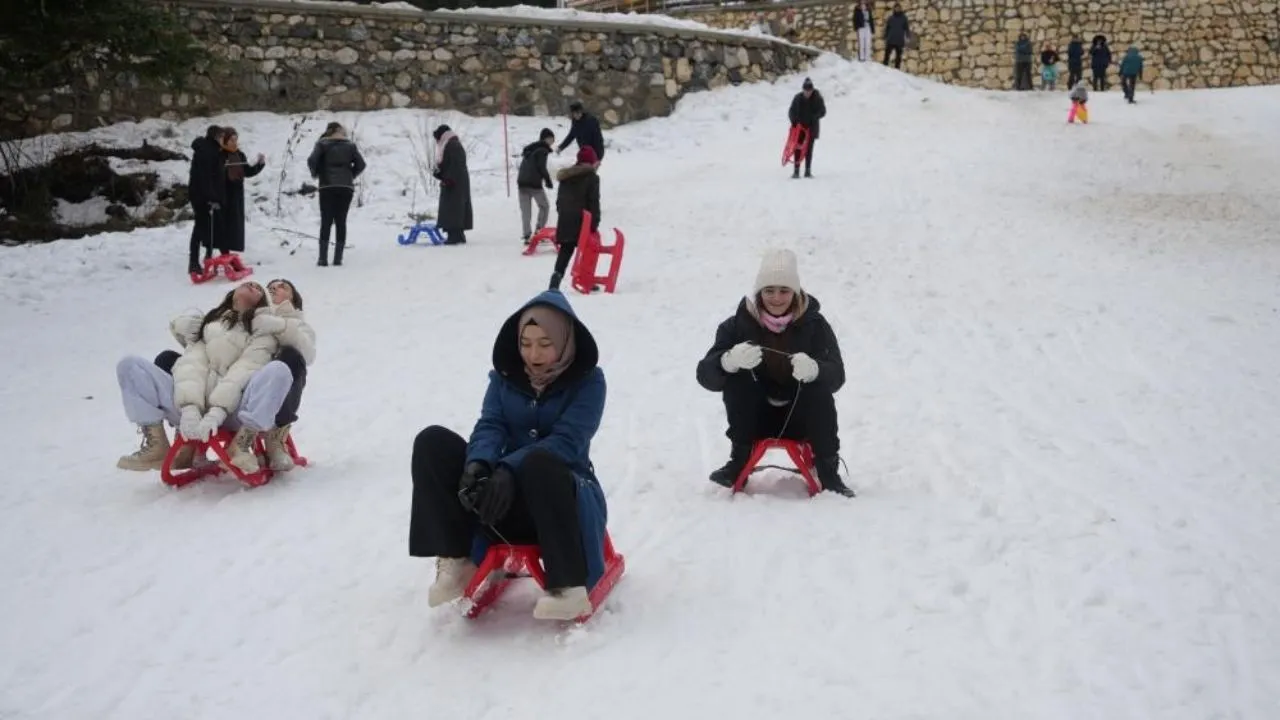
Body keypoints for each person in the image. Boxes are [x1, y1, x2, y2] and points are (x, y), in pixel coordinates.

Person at [408, 289, 610, 620]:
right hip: (502, 501)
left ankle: (568, 587)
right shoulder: (504, 379)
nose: (534, 354)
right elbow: (491, 425)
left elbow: (568, 441)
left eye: (545, 344)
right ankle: (456, 559)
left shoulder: (589, 382)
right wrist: (479, 466)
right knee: (433, 442)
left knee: (541, 460)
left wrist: (508, 469)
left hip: (561, 499)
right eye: (526, 343)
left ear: (564, 341)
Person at [695, 249, 854, 497]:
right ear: (759, 292)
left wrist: (816, 369)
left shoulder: (816, 326)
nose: (777, 298)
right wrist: (727, 361)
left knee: (817, 386)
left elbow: (837, 376)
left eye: (784, 290)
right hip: (754, 419)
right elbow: (705, 375)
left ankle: (827, 469)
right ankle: (739, 460)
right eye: (769, 290)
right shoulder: (737, 325)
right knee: (738, 378)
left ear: (796, 292)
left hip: (801, 418)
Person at [115, 282, 289, 475]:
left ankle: (241, 443)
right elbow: (191, 366)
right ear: (232, 294)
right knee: (130, 365)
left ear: (261, 303)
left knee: (279, 370)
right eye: (247, 284)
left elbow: (244, 370)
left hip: (235, 413)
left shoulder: (262, 333)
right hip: (190, 411)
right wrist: (190, 408)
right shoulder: (207, 325)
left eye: (258, 289)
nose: (252, 286)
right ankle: (156, 443)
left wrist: (217, 412)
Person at [152, 278, 315, 471]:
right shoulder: (242, 314)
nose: (274, 289)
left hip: (257, 391)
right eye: (270, 287)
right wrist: (197, 328)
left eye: (283, 287)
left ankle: (275, 434)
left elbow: (307, 352)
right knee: (169, 360)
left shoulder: (292, 321)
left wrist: (278, 326)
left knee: (290, 359)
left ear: (294, 299)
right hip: (225, 383)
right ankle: (185, 435)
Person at [306, 121, 367, 266]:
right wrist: (350, 175)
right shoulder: (350, 146)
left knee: (326, 221)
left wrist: (316, 173)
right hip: (346, 187)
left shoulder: (322, 144)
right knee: (341, 221)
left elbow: (311, 160)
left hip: (327, 186)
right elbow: (361, 164)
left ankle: (322, 258)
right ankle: (338, 258)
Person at [549, 146, 601, 291]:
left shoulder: (566, 177)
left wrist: (563, 214)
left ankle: (556, 278)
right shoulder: (592, 178)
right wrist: (594, 223)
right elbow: (593, 202)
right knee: (589, 249)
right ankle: (585, 280)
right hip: (583, 221)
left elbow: (559, 201)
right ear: (591, 162)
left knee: (566, 249)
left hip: (566, 219)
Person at [217, 126, 266, 257]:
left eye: (235, 139)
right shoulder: (220, 155)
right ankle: (222, 252)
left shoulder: (239, 154)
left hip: (237, 194)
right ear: (225, 140)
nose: (234, 142)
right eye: (231, 140)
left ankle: (229, 252)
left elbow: (247, 172)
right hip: (223, 193)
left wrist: (260, 164)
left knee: (235, 225)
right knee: (223, 224)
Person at [187, 125, 227, 276]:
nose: (224, 140)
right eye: (222, 137)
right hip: (202, 196)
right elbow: (205, 179)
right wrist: (212, 198)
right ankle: (193, 262)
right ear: (217, 136)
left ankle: (207, 257)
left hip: (202, 194)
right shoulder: (207, 152)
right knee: (200, 227)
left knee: (209, 226)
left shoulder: (210, 149)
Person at [432, 124, 473, 246]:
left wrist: (448, 179)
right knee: (455, 209)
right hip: (456, 182)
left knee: (453, 208)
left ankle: (454, 236)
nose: (437, 141)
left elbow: (456, 165)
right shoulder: (451, 144)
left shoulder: (452, 145)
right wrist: (440, 174)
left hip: (454, 183)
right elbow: (450, 165)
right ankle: (457, 235)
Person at [517, 128, 556, 244]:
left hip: (522, 183)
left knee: (526, 211)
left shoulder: (530, 149)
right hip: (534, 184)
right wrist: (548, 180)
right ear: (547, 138)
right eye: (552, 139)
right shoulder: (542, 150)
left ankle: (526, 235)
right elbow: (541, 167)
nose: (553, 142)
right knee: (544, 206)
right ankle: (539, 230)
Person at [787, 77, 827, 179]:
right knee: (798, 148)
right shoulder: (797, 98)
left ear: (812, 90)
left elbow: (823, 111)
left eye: (809, 91)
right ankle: (796, 171)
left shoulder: (817, 98)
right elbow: (791, 112)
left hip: (811, 128)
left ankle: (808, 171)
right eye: (805, 91)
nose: (807, 93)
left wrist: (815, 117)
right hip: (799, 128)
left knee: (809, 149)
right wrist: (794, 121)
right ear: (803, 90)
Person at [882, 5, 909, 69]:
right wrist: (885, 36)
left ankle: (897, 69)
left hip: (899, 40)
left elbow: (907, 28)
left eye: (899, 8)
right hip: (891, 39)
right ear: (894, 9)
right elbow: (887, 28)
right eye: (896, 8)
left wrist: (908, 36)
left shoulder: (904, 18)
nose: (897, 9)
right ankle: (884, 67)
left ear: (900, 9)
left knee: (898, 56)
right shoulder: (891, 18)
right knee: (887, 54)